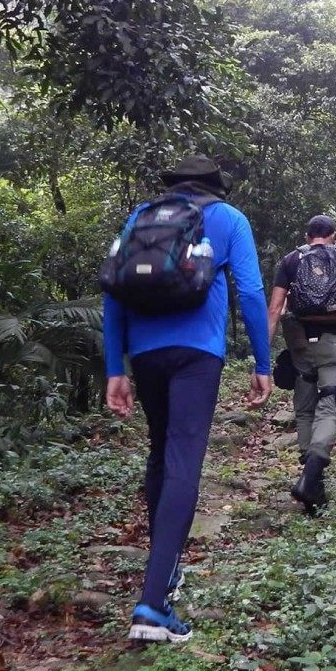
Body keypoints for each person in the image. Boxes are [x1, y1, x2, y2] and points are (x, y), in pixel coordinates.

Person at [103, 155, 273, 643]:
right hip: (198, 354)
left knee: (160, 453)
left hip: (146, 353)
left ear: (172, 186)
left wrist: (115, 366)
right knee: (183, 459)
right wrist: (262, 363)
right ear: (213, 185)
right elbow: (252, 293)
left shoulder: (140, 217)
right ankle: (153, 605)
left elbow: (113, 291)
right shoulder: (228, 218)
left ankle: (164, 574)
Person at [266, 215, 336, 514]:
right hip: (332, 343)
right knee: (329, 406)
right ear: (333, 235)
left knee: (305, 407)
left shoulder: (289, 260)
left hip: (299, 344)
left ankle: (313, 486)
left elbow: (274, 309)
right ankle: (311, 476)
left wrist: (261, 357)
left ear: (307, 235)